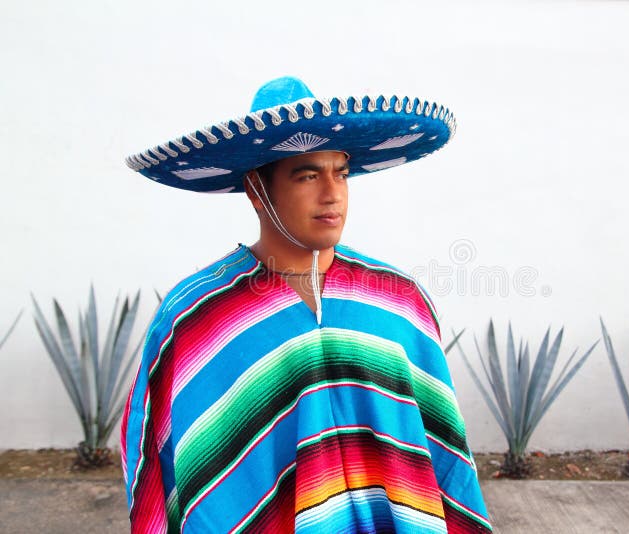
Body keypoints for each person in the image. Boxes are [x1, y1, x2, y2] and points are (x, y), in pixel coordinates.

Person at [121, 77, 492, 533]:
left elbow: (441, 453)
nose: (332, 193)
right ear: (257, 189)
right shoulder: (197, 316)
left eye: (341, 172)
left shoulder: (399, 300)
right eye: (308, 174)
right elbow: (159, 456)